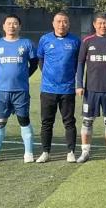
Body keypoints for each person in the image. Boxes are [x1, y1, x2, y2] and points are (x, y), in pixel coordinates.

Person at [75, 14, 106, 163]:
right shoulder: (87, 41)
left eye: (105, 23)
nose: (103, 26)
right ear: (94, 24)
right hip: (91, 90)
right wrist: (79, 85)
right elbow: (80, 63)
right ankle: (85, 152)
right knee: (87, 122)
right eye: (100, 23)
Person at [0, 14, 37, 163]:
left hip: (20, 90)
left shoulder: (26, 43)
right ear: (4, 26)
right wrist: (3, 75)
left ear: (20, 26)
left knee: (24, 120)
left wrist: (23, 75)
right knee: (0, 122)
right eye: (9, 23)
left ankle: (28, 153)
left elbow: (34, 64)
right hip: (1, 91)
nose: (12, 26)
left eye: (15, 23)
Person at [35, 12, 81, 163]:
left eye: (65, 21)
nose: (62, 24)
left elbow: (79, 63)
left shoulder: (75, 41)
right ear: (53, 23)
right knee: (47, 122)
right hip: (48, 89)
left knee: (69, 121)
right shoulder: (45, 39)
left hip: (67, 89)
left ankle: (71, 152)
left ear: (69, 24)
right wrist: (48, 75)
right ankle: (45, 152)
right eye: (59, 21)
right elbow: (40, 59)